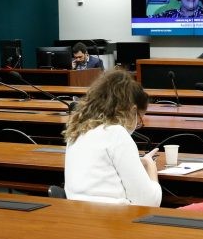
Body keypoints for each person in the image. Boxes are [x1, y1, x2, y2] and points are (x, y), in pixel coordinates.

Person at [63, 70, 161, 206]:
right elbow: (149, 202)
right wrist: (151, 167)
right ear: (132, 110)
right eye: (139, 119)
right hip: (114, 217)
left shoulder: (77, 131)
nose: (138, 124)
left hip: (77, 215)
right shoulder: (117, 133)